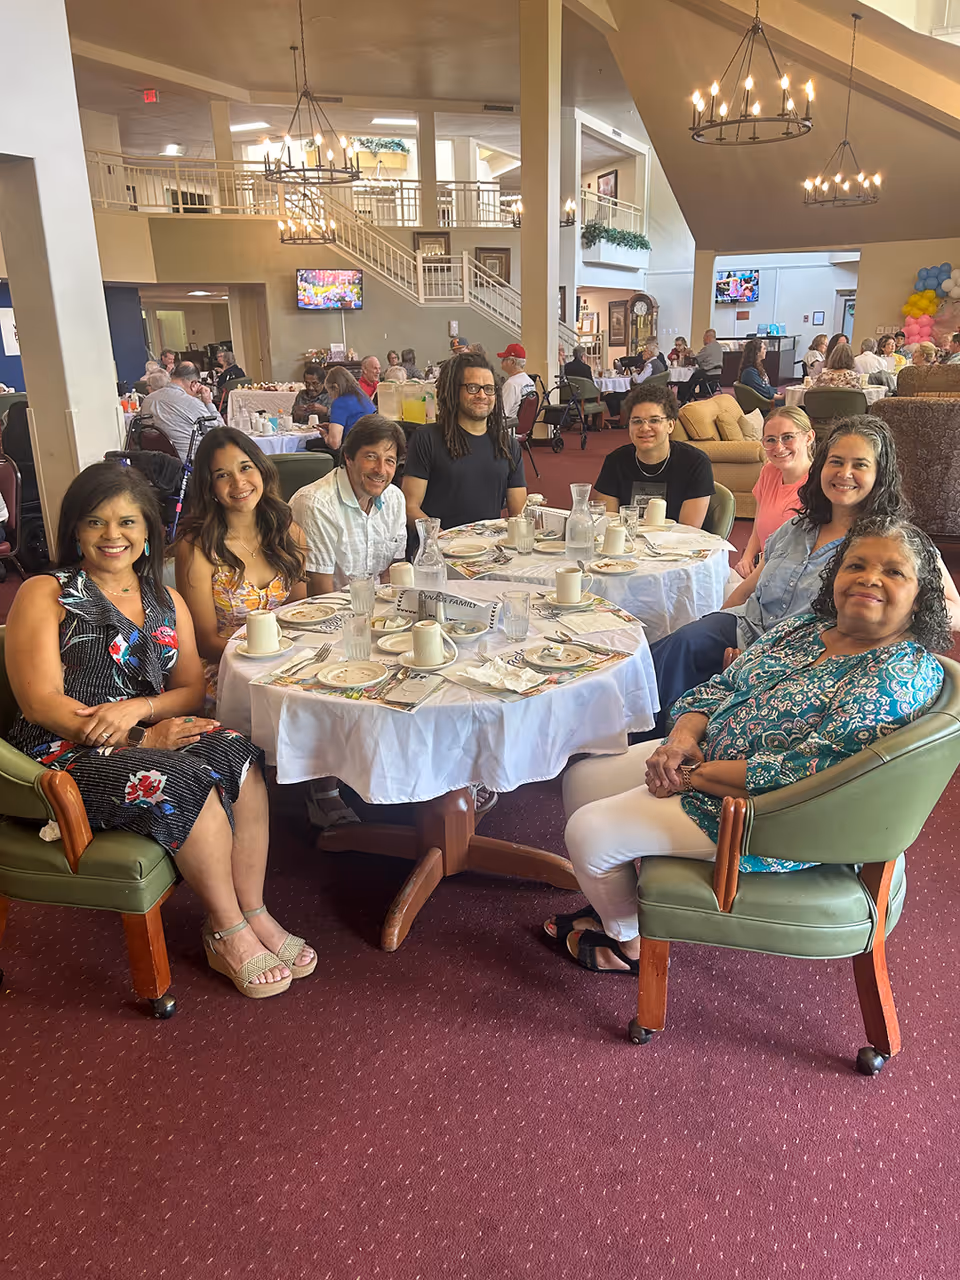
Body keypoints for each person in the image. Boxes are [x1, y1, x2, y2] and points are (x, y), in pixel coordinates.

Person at [548, 515, 949, 971]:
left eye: (894, 572)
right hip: (705, 762)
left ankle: (628, 941)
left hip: (767, 817)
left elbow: (808, 776)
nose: (869, 578)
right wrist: (679, 741)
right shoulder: (806, 628)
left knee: (591, 834)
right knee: (581, 781)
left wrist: (688, 775)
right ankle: (619, 903)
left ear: (921, 598)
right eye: (855, 565)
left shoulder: (896, 674)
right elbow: (722, 686)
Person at [4, 462, 315, 997]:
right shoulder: (46, 593)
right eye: (95, 522)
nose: (112, 535)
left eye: (127, 522)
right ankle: (227, 928)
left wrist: (140, 710)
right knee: (181, 779)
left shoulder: (164, 600)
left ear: (149, 530)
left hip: (146, 728)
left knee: (239, 750)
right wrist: (141, 737)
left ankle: (254, 907)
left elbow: (190, 690)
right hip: (59, 753)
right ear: (75, 530)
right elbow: (40, 704)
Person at [646, 416, 960, 737]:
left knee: (684, 672)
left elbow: (954, 609)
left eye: (860, 465)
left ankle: (655, 744)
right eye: (835, 462)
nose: (844, 473)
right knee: (675, 647)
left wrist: (895, 606)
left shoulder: (890, 545)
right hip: (747, 626)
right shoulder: (797, 528)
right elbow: (750, 587)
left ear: (880, 475)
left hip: (801, 653)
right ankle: (636, 735)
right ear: (821, 468)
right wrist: (715, 620)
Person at [175, 428, 307, 712]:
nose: (238, 482)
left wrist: (290, 658)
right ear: (209, 487)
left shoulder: (289, 533)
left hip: (288, 661)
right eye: (222, 475)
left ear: (261, 470)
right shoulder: (198, 547)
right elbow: (204, 641)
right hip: (226, 670)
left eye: (245, 467)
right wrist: (264, 655)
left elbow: (300, 613)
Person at [402, 351, 526, 529]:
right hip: (439, 547)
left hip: (488, 549)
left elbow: (518, 514)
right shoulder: (427, 438)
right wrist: (445, 539)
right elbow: (410, 507)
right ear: (454, 391)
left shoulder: (507, 445)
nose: (482, 395)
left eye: (489, 389)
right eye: (473, 387)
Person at [290, 414, 406, 596]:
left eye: (389, 460)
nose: (381, 470)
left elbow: (390, 576)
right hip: (331, 614)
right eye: (371, 456)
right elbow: (320, 595)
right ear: (349, 458)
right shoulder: (316, 505)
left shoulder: (395, 498)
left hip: (375, 610)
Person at [593, 382, 713, 528]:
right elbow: (608, 524)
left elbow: (688, 532)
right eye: (637, 421)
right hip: (627, 546)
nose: (644, 428)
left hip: (676, 546)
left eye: (654, 420)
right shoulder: (615, 461)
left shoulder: (695, 463)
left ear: (670, 425)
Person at [733, 407, 816, 578]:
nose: (778, 447)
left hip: (794, 578)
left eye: (787, 437)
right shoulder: (769, 471)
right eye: (770, 440)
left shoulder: (819, 484)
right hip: (763, 571)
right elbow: (759, 526)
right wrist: (747, 558)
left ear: (808, 437)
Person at [139, 361, 223, 460]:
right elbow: (221, 432)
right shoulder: (192, 403)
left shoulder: (147, 400)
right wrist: (208, 402)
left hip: (155, 464)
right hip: (190, 465)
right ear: (194, 384)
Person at [319, 367, 376, 451]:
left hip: (352, 450)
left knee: (309, 445)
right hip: (371, 444)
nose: (330, 396)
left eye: (330, 392)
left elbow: (334, 444)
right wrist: (332, 427)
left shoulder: (340, 402)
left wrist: (324, 434)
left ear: (336, 387)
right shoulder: (363, 395)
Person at [498, 343, 535, 419]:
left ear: (512, 362)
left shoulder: (511, 384)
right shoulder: (530, 382)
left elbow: (502, 413)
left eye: (504, 359)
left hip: (510, 427)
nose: (501, 362)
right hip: (524, 427)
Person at [738, 338, 780, 402]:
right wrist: (780, 397)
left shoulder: (756, 367)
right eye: (764, 349)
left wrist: (776, 392)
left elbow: (766, 387)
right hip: (764, 403)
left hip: (766, 398)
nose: (765, 351)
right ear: (757, 352)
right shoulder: (749, 373)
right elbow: (763, 391)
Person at [213, 348, 247, 415]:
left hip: (226, 398)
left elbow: (219, 386)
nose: (219, 359)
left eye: (221, 357)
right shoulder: (240, 371)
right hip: (241, 396)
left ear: (225, 360)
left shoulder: (225, 375)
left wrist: (221, 375)